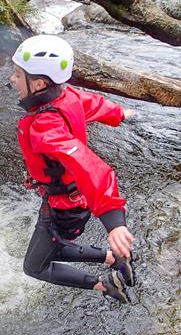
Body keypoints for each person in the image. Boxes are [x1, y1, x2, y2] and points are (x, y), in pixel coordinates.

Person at [9, 35, 135, 304]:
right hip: (73, 198)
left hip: (64, 206)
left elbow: (89, 166)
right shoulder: (67, 97)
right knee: (50, 244)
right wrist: (118, 113)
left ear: (39, 83)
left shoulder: (45, 126)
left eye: (17, 74)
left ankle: (105, 284)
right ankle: (113, 258)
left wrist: (113, 222)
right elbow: (93, 103)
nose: (11, 80)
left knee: (35, 265)